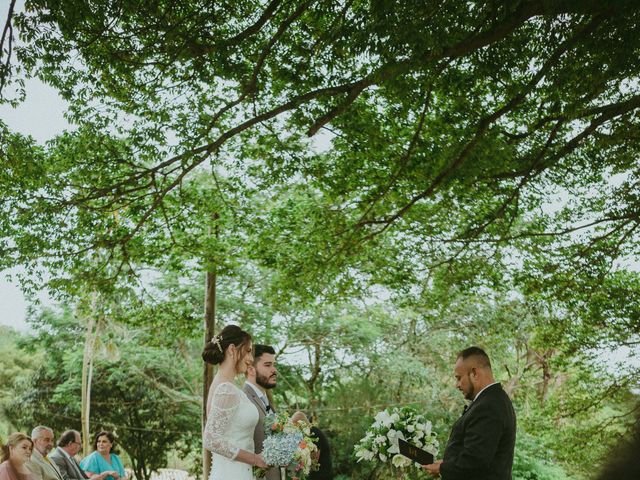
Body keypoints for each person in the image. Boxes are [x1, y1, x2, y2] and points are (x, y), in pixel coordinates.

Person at [423, 346, 516, 480]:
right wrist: (446, 464)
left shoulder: (488, 406)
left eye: (459, 378)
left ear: (475, 373)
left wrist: (442, 468)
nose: (457, 385)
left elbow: (475, 462)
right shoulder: (494, 399)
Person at [203, 324, 269, 480]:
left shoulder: (224, 385)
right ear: (232, 350)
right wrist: (255, 459)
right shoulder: (225, 389)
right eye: (247, 351)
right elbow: (210, 440)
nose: (251, 359)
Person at [243, 344, 279, 480]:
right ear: (251, 369)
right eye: (268, 365)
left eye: (274, 365)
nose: (274, 370)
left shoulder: (266, 400)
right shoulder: (243, 399)